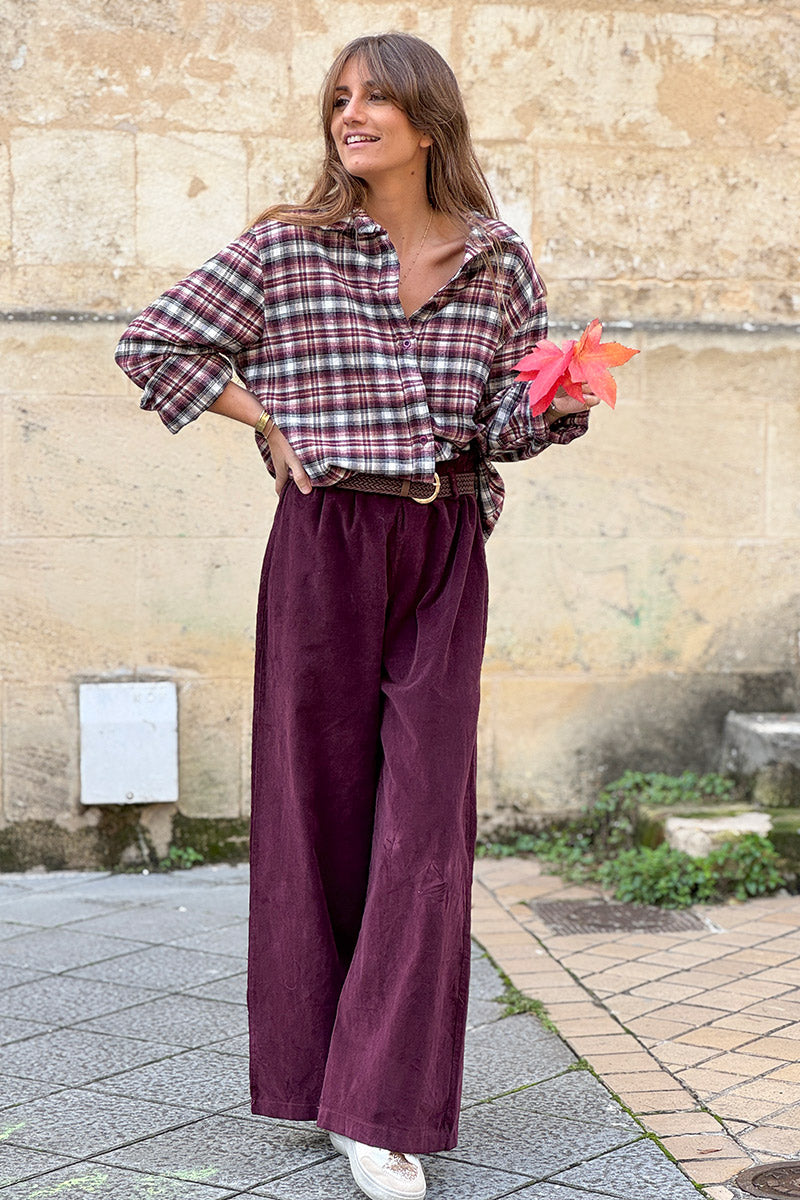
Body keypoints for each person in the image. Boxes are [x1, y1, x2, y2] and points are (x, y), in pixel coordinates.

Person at [115, 31, 598, 1200]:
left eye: (375, 97)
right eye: (339, 98)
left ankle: (380, 1104)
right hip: (326, 542)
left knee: (424, 821)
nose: (351, 114)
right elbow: (153, 342)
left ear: (428, 120)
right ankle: (315, 1082)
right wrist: (271, 424)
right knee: (313, 809)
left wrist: (563, 399)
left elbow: (503, 422)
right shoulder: (287, 248)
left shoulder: (497, 263)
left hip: (440, 544)